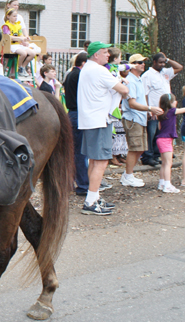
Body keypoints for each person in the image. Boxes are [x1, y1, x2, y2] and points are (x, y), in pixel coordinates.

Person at [77, 42, 128, 215]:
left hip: (90, 119)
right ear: (96, 55)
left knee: (93, 160)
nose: (108, 55)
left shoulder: (87, 69)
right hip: (99, 119)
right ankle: (91, 202)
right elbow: (122, 89)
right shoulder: (99, 70)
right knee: (101, 161)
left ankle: (94, 197)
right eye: (105, 52)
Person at [120, 54, 163, 187]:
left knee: (140, 148)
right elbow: (132, 103)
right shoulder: (131, 81)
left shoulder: (138, 80)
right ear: (132, 65)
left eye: (143, 62)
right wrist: (149, 108)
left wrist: (148, 110)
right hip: (133, 119)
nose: (142, 64)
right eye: (139, 62)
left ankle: (129, 174)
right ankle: (127, 175)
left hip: (140, 118)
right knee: (134, 148)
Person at [141, 52, 183, 165]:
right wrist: (148, 110)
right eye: (160, 62)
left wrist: (168, 59)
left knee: (160, 133)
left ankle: (156, 154)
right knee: (151, 133)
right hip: (154, 110)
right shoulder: (147, 75)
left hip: (165, 110)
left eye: (164, 62)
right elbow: (145, 94)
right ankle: (147, 156)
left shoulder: (165, 72)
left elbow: (179, 67)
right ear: (154, 62)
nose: (162, 65)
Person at [64, 51, 89, 196]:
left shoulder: (70, 74)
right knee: (80, 152)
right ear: (84, 64)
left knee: (73, 151)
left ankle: (71, 181)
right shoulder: (79, 75)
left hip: (72, 113)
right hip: (77, 114)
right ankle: (83, 184)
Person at [3, 8, 38, 79]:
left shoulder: (18, 26)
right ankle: (18, 68)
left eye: (16, 16)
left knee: (33, 53)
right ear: (8, 16)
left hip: (18, 45)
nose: (15, 18)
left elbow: (21, 35)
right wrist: (20, 39)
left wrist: (25, 40)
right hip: (11, 45)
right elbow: (8, 37)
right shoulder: (6, 26)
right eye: (14, 16)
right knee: (23, 53)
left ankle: (23, 67)